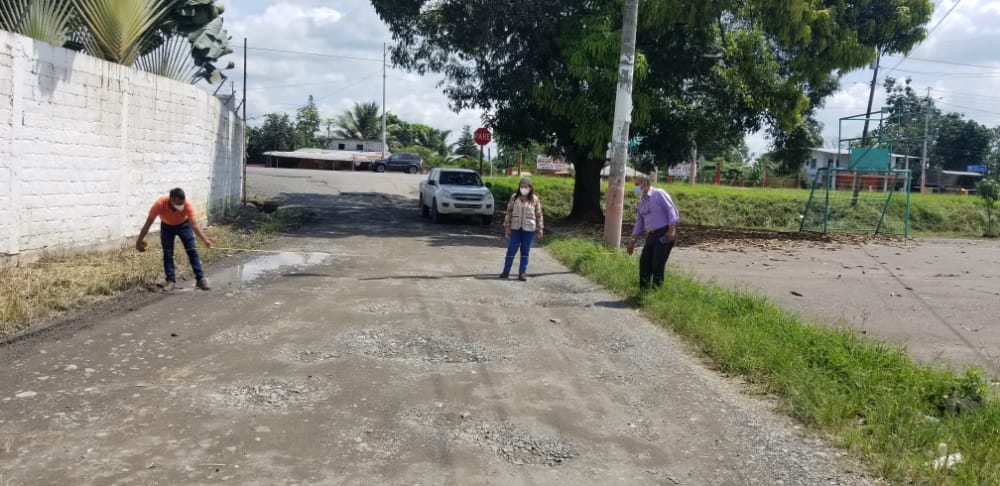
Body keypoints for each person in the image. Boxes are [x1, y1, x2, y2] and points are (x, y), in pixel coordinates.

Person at [136, 188, 214, 291]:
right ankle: (170, 281)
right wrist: (139, 241)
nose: (181, 206)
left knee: (192, 250)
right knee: (168, 253)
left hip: (184, 225)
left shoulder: (187, 205)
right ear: (171, 200)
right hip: (166, 227)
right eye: (179, 204)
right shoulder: (160, 203)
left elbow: (194, 225)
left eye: (182, 203)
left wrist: (205, 240)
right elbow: (148, 224)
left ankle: (200, 279)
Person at [626, 175, 679, 290]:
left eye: (637, 185)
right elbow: (639, 222)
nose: (636, 188)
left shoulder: (658, 194)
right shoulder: (642, 202)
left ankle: (656, 291)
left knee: (657, 263)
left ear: (645, 184)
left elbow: (671, 210)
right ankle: (644, 291)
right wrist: (632, 241)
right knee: (644, 261)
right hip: (652, 234)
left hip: (664, 233)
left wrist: (671, 230)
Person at [501, 178, 544, 281]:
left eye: (526, 186)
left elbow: (539, 215)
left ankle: (522, 273)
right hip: (515, 228)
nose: (523, 188)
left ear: (530, 188)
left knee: (525, 251)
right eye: (522, 186)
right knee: (511, 249)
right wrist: (507, 225)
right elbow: (509, 212)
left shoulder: (534, 199)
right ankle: (506, 271)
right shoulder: (514, 197)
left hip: (529, 229)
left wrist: (540, 228)